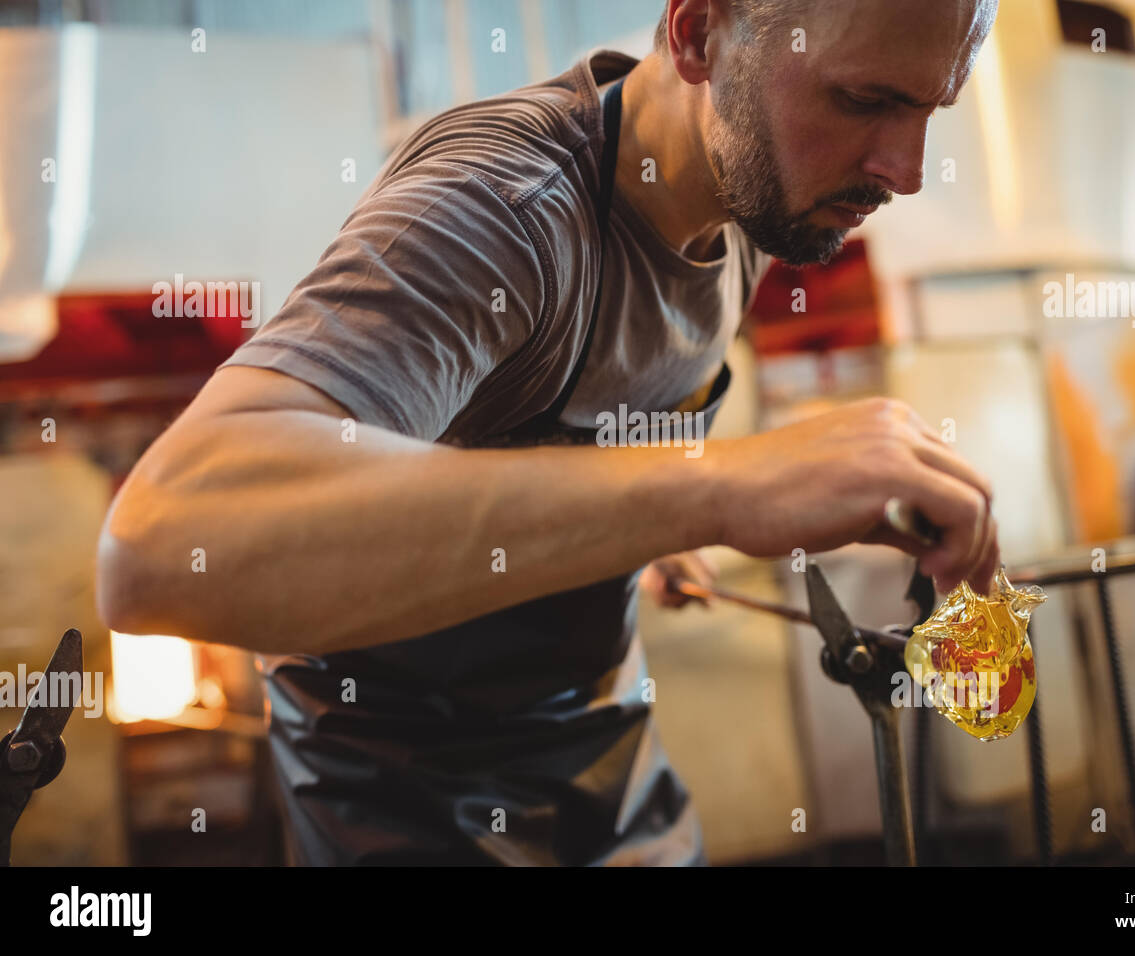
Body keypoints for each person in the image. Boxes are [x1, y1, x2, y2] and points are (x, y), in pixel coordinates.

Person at [96, 0, 1002, 865]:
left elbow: (542, 439)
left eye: (929, 108)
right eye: (864, 99)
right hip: (411, 805)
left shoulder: (763, 202)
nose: (907, 169)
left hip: (609, 760)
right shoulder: (506, 209)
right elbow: (163, 547)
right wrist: (717, 487)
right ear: (697, 36)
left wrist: (645, 529)